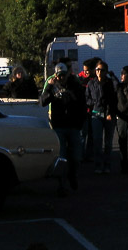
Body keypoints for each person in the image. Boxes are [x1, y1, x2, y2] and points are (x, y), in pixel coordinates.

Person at [40, 62, 87, 195]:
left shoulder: (75, 85)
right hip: (59, 125)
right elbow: (43, 102)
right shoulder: (53, 86)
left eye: (63, 75)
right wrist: (49, 87)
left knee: (76, 156)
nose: (61, 78)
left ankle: (73, 175)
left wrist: (80, 122)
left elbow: (82, 104)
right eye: (58, 75)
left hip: (73, 125)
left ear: (67, 74)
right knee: (62, 157)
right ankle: (62, 185)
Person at [86, 60, 118, 174]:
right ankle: (98, 165)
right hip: (96, 113)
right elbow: (87, 98)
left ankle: (107, 164)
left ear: (106, 71)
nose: (99, 72)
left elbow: (116, 91)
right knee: (97, 140)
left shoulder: (110, 83)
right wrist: (93, 103)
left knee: (108, 142)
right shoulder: (91, 83)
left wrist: (112, 76)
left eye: (102, 70)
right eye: (97, 70)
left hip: (109, 114)